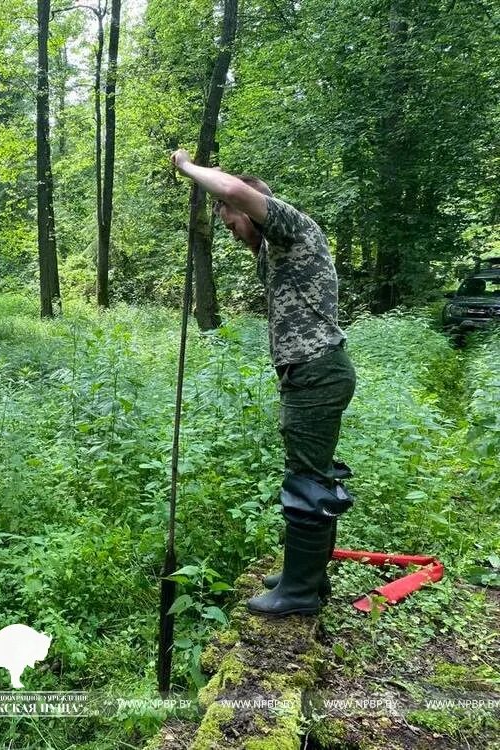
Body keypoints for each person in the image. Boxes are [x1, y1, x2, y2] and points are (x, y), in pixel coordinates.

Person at [170, 149, 356, 617]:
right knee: (316, 475)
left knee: (307, 483)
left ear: (252, 205)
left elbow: (233, 189)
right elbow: (234, 203)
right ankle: (307, 575)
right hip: (311, 373)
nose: (231, 232)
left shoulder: (294, 226)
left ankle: (298, 595)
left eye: (231, 222)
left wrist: (188, 168)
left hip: (316, 372)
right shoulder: (274, 249)